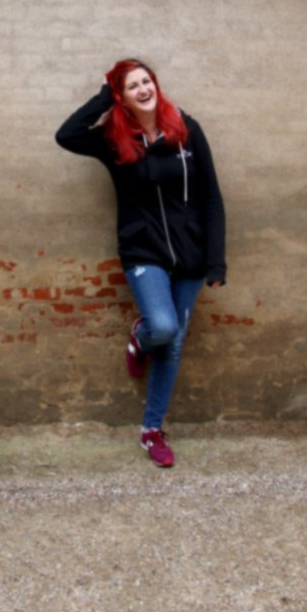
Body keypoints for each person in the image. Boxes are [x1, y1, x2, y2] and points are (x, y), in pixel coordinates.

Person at [55, 58, 226, 468]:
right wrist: (101, 97)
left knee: (173, 344)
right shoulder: (113, 141)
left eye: (146, 81)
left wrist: (215, 260)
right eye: (132, 86)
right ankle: (142, 334)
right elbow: (67, 135)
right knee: (164, 328)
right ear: (123, 97)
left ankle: (151, 430)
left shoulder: (186, 129)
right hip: (142, 253)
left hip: (190, 256)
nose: (144, 89)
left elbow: (211, 198)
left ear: (156, 84)